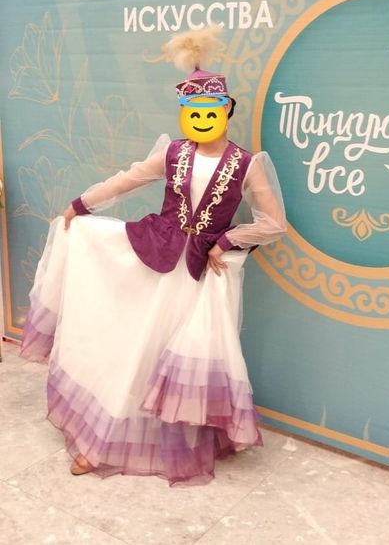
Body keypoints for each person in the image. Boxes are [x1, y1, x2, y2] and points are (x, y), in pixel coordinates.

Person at [20, 27, 287, 486]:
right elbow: (127, 179)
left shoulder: (247, 165)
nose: (202, 116)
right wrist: (80, 205)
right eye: (193, 110)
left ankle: (178, 442)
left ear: (226, 110)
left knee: (176, 354)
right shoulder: (173, 153)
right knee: (134, 345)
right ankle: (101, 441)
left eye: (211, 109)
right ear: (185, 113)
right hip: (154, 254)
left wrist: (226, 241)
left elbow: (273, 223)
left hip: (199, 275)